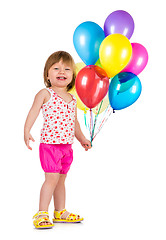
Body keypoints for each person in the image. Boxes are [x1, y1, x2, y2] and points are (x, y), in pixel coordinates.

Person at [24, 51, 91, 229]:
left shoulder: (72, 99)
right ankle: (41, 212)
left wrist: (82, 138)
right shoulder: (45, 93)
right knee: (51, 179)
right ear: (47, 74)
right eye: (56, 68)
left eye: (67, 69)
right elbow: (33, 112)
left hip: (66, 147)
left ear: (72, 76)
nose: (62, 71)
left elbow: (74, 123)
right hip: (50, 146)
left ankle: (60, 211)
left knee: (61, 180)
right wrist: (26, 130)